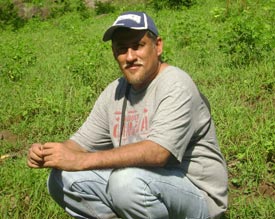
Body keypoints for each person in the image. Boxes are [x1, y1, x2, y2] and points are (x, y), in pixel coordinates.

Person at [27, 11, 228, 219]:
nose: (130, 57)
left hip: (197, 196)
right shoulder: (114, 92)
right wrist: (49, 152)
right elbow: (79, 144)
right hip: (144, 185)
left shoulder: (176, 84)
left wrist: (80, 161)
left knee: (125, 182)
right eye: (122, 49)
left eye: (137, 46)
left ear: (157, 46)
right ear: (115, 54)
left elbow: (158, 153)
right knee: (61, 178)